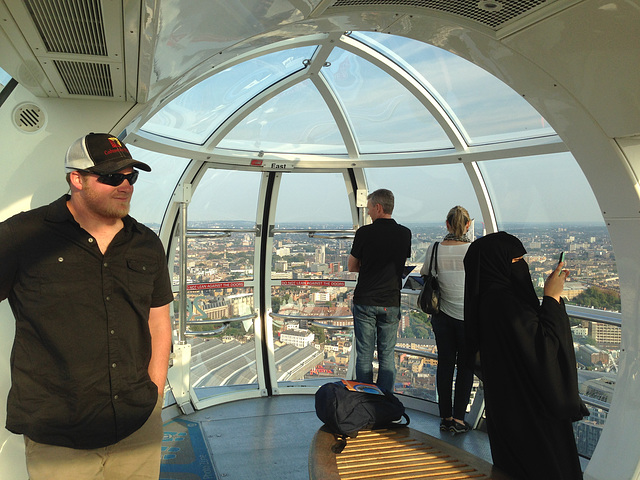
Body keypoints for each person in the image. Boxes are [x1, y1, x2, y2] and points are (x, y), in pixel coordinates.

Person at [0, 133, 174, 479]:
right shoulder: (24, 236)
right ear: (76, 179)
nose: (125, 186)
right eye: (111, 177)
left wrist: (155, 394)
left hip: (136, 426)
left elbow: (158, 320)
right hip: (58, 434)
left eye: (131, 176)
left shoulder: (146, 244)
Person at [463, 232, 588, 480]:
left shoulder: (486, 303)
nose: (524, 266)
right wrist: (552, 298)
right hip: (532, 417)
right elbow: (544, 350)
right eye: (516, 260)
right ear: (496, 265)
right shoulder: (505, 305)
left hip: (507, 412)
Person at [348, 189, 412, 393]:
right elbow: (400, 264)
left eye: (369, 209)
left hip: (366, 299)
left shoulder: (364, 233)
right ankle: (384, 403)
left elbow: (351, 266)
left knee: (364, 354)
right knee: (387, 355)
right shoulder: (405, 233)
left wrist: (368, 268)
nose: (368, 213)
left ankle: (366, 401)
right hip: (390, 301)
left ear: (378, 207)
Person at [420, 206, 475, 434]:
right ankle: (460, 419)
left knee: (445, 366)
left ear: (447, 224)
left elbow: (425, 275)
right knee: (465, 368)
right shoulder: (474, 251)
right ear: (468, 225)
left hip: (442, 317)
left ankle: (445, 416)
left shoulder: (434, 249)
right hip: (468, 319)